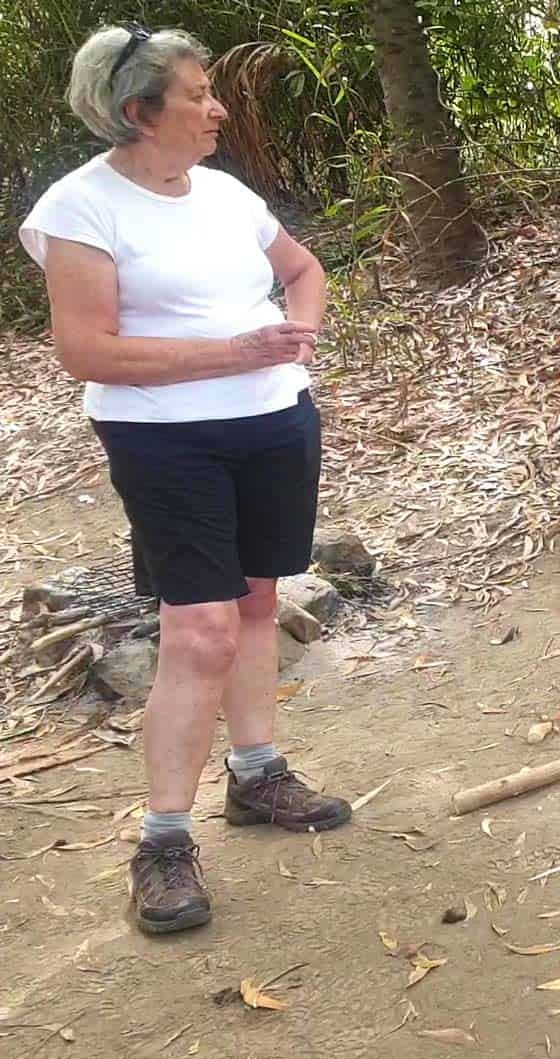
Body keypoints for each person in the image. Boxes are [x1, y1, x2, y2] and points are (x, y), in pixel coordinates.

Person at [20, 26, 351, 935]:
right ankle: (163, 840)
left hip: (275, 422)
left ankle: (257, 775)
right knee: (197, 628)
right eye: (199, 94)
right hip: (167, 440)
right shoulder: (79, 208)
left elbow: (303, 268)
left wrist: (296, 341)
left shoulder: (225, 192)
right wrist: (232, 351)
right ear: (138, 113)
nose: (217, 107)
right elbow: (87, 350)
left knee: (254, 602)